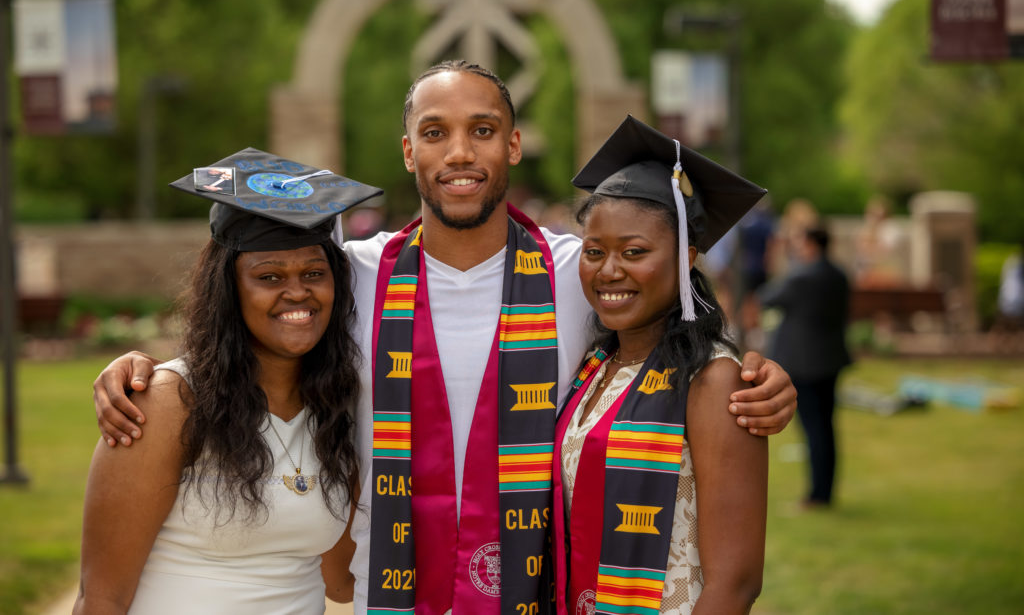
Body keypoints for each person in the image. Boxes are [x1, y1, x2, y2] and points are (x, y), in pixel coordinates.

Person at [91, 61, 798, 614]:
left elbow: (661, 332)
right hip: (386, 595)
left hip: (530, 594)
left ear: (513, 143)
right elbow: (256, 324)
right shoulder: (352, 276)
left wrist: (760, 376)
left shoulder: (571, 269)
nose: (460, 152)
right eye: (435, 132)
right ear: (408, 151)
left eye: (483, 130)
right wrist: (142, 371)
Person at [74, 149, 383, 613]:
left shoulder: (336, 409)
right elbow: (101, 600)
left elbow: (342, 581)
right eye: (269, 276)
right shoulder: (166, 405)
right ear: (229, 289)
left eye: (314, 273)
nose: (297, 291)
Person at [552, 116, 768, 614]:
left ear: (686, 257)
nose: (609, 270)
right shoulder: (593, 366)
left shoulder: (714, 380)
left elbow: (735, 584)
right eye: (594, 252)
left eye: (634, 252)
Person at [760, 224, 851, 508]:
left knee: (814, 430)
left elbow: (767, 297)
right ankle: (825, 491)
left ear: (810, 245)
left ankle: (817, 496)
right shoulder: (839, 275)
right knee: (826, 427)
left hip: (805, 363)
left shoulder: (802, 275)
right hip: (831, 359)